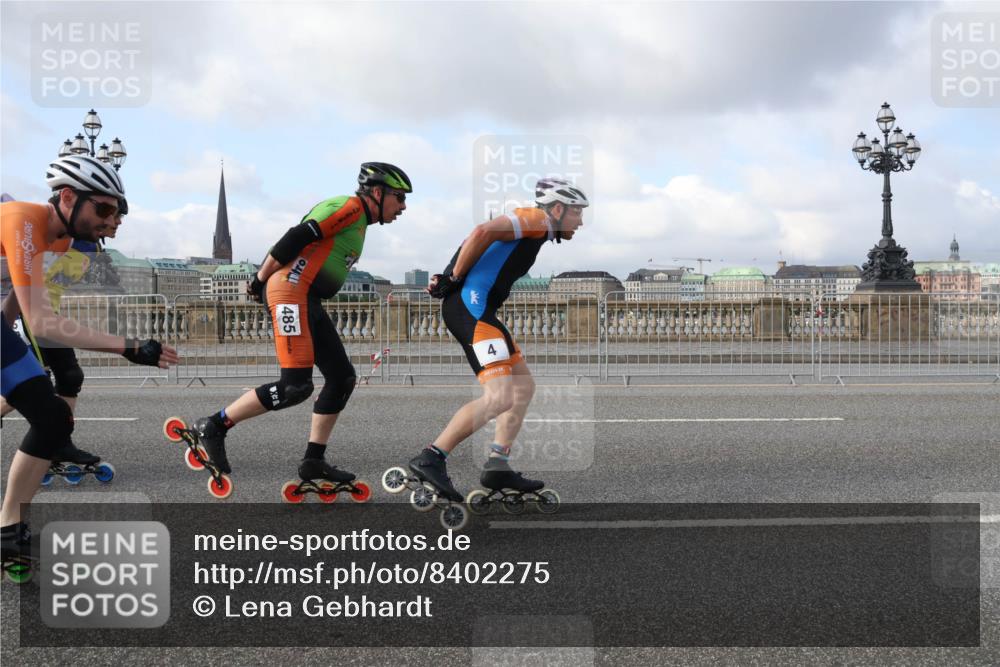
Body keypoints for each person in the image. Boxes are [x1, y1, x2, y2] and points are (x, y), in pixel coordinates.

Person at [189, 162, 411, 491]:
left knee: (342, 378)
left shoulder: (360, 220)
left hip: (307, 298)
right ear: (376, 193)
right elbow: (296, 236)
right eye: (399, 197)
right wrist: (258, 279)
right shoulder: (349, 208)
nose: (403, 207)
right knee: (295, 387)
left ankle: (313, 461)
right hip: (290, 291)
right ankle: (213, 425)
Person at [0, 155, 178, 558]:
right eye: (103, 208)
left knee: (53, 416)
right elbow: (43, 322)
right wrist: (130, 347)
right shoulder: (23, 220)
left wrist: (9, 338)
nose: (111, 220)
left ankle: (9, 531)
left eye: (115, 213)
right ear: (67, 196)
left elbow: (18, 298)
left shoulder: (60, 239)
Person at [412, 178, 589, 501]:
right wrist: (452, 277)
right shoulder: (537, 220)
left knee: (522, 388)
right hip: (472, 311)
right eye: (577, 212)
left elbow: (478, 240)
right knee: (500, 397)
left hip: (481, 312)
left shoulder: (539, 230)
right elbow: (483, 231)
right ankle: (432, 456)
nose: (581, 221)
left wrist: (449, 274)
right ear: (559, 209)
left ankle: (498, 464)